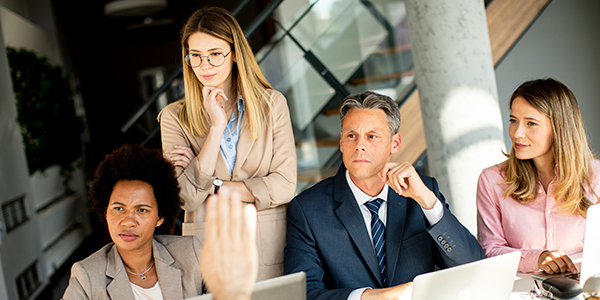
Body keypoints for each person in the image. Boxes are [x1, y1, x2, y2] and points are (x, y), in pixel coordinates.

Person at [284, 91, 485, 300]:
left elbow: (474, 267)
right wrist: (368, 297)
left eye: (372, 136)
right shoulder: (307, 210)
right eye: (351, 136)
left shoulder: (423, 192)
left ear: (395, 144)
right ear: (341, 143)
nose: (359, 145)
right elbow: (301, 295)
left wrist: (428, 203)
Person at [159, 6, 296, 281]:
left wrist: (214, 185)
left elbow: (284, 185)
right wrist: (216, 126)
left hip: (267, 247)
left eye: (214, 55)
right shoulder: (173, 118)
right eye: (195, 56)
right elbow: (185, 197)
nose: (204, 66)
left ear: (234, 53)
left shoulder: (272, 105)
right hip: (208, 252)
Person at [62, 144, 258, 300]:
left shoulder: (190, 253)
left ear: (160, 217)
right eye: (119, 208)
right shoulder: (86, 276)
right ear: (105, 212)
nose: (128, 221)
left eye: (142, 210)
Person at [477, 78, 600, 275]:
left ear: (560, 129)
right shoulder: (491, 181)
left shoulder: (597, 177)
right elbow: (489, 250)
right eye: (513, 121)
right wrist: (537, 258)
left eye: (531, 123)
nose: (517, 133)